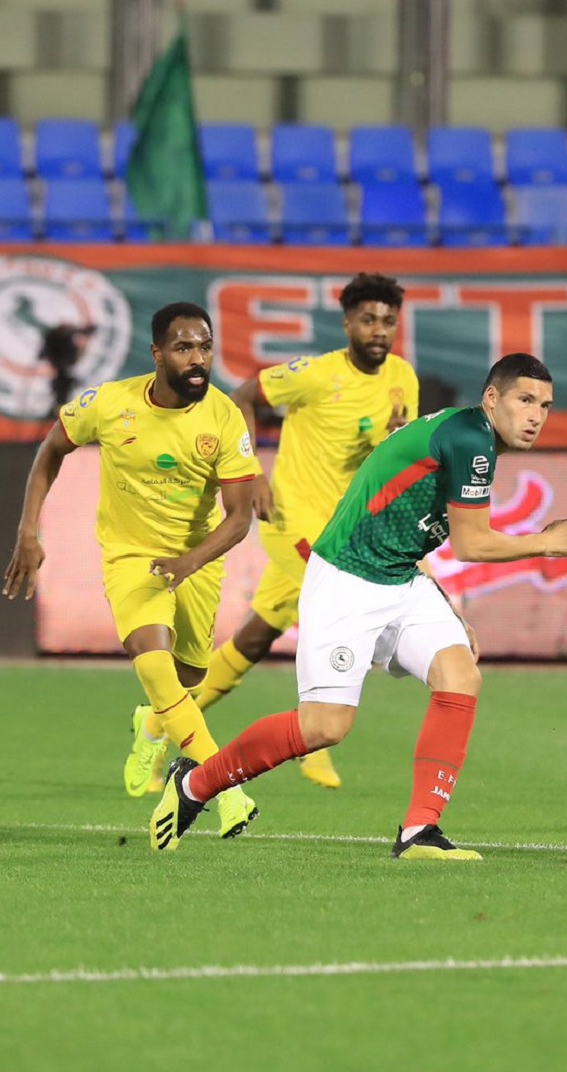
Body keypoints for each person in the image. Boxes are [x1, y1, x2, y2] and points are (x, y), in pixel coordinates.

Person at [148, 353, 567, 857]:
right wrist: (548, 542)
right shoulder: (470, 439)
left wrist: (447, 606)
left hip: (400, 578)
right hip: (348, 579)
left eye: (545, 405)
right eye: (525, 400)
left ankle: (418, 832)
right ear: (492, 398)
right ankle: (194, 784)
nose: (536, 415)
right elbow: (473, 544)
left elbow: (416, 528)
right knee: (324, 727)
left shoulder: (471, 437)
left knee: (460, 675)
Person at [124, 273, 419, 796]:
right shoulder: (314, 375)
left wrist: (397, 442)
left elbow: (398, 455)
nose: (379, 330)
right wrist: (253, 469)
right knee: (350, 608)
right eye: (368, 319)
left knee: (255, 639)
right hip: (294, 521)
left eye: (388, 321)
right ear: (348, 322)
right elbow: (241, 395)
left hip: (349, 529)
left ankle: (156, 720)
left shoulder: (403, 378)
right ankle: (319, 747)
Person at [4, 302, 263, 839]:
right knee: (152, 662)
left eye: (206, 347)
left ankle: (152, 723)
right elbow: (52, 449)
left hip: (197, 557)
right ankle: (227, 789)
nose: (198, 359)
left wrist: (190, 562)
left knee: (187, 678)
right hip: (131, 556)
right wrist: (29, 531)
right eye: (184, 348)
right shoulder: (111, 403)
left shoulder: (223, 417)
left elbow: (239, 520)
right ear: (157, 354)